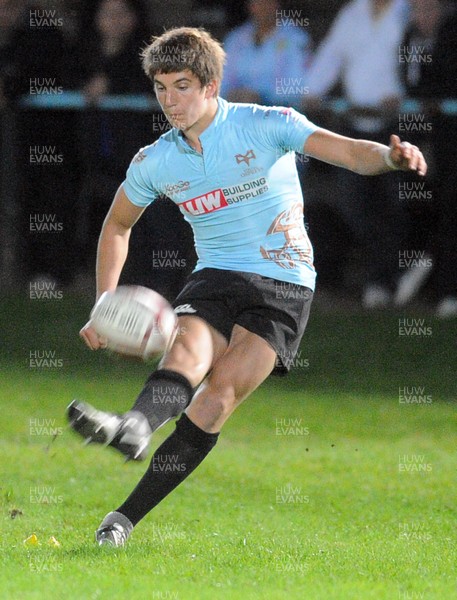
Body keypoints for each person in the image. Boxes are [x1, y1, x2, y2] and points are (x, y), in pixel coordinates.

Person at [67, 27, 427, 547]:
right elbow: (117, 225)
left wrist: (392, 157)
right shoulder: (156, 159)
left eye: (182, 86)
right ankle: (137, 426)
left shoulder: (265, 123)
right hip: (215, 275)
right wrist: (103, 304)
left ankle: (123, 516)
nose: (170, 100)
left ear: (212, 85)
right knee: (187, 351)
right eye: (162, 88)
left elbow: (349, 153)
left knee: (216, 400)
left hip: (285, 284)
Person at [304, 0, 411, 308]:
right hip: (355, 126)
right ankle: (386, 275)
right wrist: (311, 91)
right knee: (355, 204)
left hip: (397, 127)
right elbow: (332, 54)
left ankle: (385, 279)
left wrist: (403, 95)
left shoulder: (406, 11)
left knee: (396, 203)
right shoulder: (352, 13)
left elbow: (417, 61)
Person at [221, 0, 312, 107]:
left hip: (279, 114)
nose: (262, 7)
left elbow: (298, 86)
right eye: (257, 2)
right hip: (235, 111)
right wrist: (231, 94)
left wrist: (261, 96)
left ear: (277, 4)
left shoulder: (296, 39)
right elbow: (222, 79)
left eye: (267, 2)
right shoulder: (235, 38)